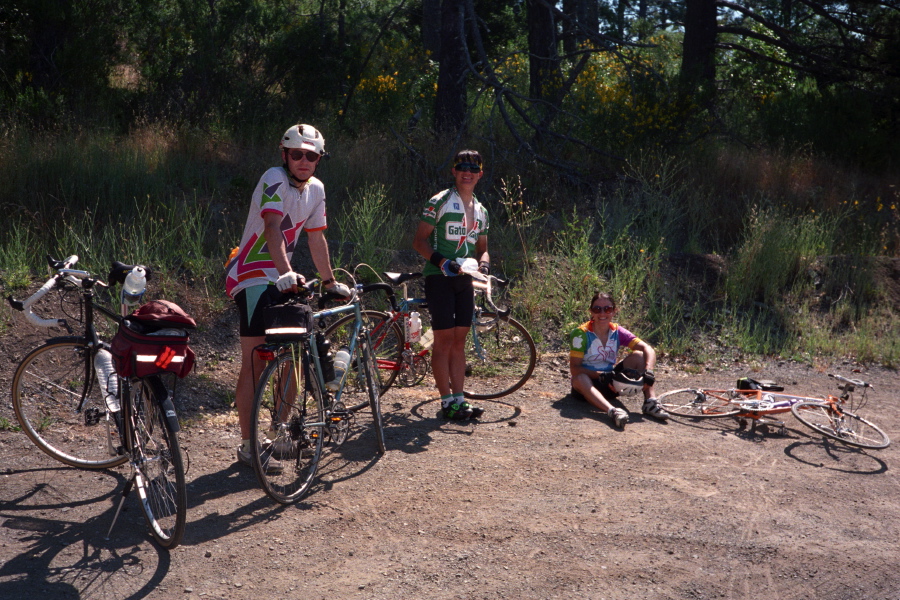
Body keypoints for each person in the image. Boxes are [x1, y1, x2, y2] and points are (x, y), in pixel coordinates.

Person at [225, 123, 349, 470]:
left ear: (319, 160)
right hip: (251, 277)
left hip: (283, 278)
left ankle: (280, 434)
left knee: (295, 356)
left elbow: (316, 239)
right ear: (285, 155)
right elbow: (272, 228)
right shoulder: (274, 178)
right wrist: (284, 273)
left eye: (311, 156)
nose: (304, 161)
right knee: (256, 361)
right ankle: (249, 446)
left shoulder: (317, 189)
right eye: (297, 154)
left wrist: (329, 282)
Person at [412, 150, 490, 420]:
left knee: (460, 341)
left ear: (480, 174)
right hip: (439, 278)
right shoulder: (440, 201)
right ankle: (446, 402)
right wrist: (443, 262)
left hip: (465, 280)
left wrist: (485, 265)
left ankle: (460, 399)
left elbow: (483, 249)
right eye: (461, 167)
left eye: (473, 167)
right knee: (443, 341)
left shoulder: (481, 210)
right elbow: (419, 241)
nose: (467, 172)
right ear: (454, 172)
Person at [568, 291, 669, 428]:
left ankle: (650, 402)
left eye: (607, 309)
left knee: (639, 356)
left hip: (612, 383)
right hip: (587, 385)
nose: (602, 313)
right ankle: (612, 411)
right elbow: (574, 369)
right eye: (597, 309)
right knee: (579, 378)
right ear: (591, 311)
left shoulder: (617, 331)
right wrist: (601, 375)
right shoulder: (580, 334)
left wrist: (648, 371)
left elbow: (648, 348)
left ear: (614, 311)